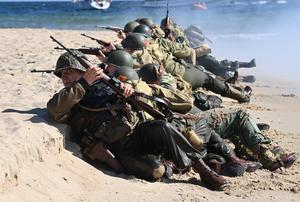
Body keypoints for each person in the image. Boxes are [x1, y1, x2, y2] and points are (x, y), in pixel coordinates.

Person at [46, 50, 226, 190]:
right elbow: (54, 109)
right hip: (121, 148)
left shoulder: (106, 83)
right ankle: (170, 162)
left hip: (138, 132)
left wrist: (127, 94)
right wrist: (83, 83)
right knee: (156, 170)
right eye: (61, 74)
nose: (64, 77)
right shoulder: (69, 98)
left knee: (163, 126)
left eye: (68, 72)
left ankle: (202, 169)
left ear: (83, 70)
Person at [137, 63, 298, 171]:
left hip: (180, 131)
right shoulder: (154, 91)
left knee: (229, 122)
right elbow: (184, 101)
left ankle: (253, 152)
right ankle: (267, 155)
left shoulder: (139, 93)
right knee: (239, 115)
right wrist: (164, 77)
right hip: (188, 129)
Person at [121, 33, 251, 103]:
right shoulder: (157, 44)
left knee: (194, 98)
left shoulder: (131, 58)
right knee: (209, 80)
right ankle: (242, 96)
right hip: (185, 73)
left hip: (170, 84)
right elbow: (188, 52)